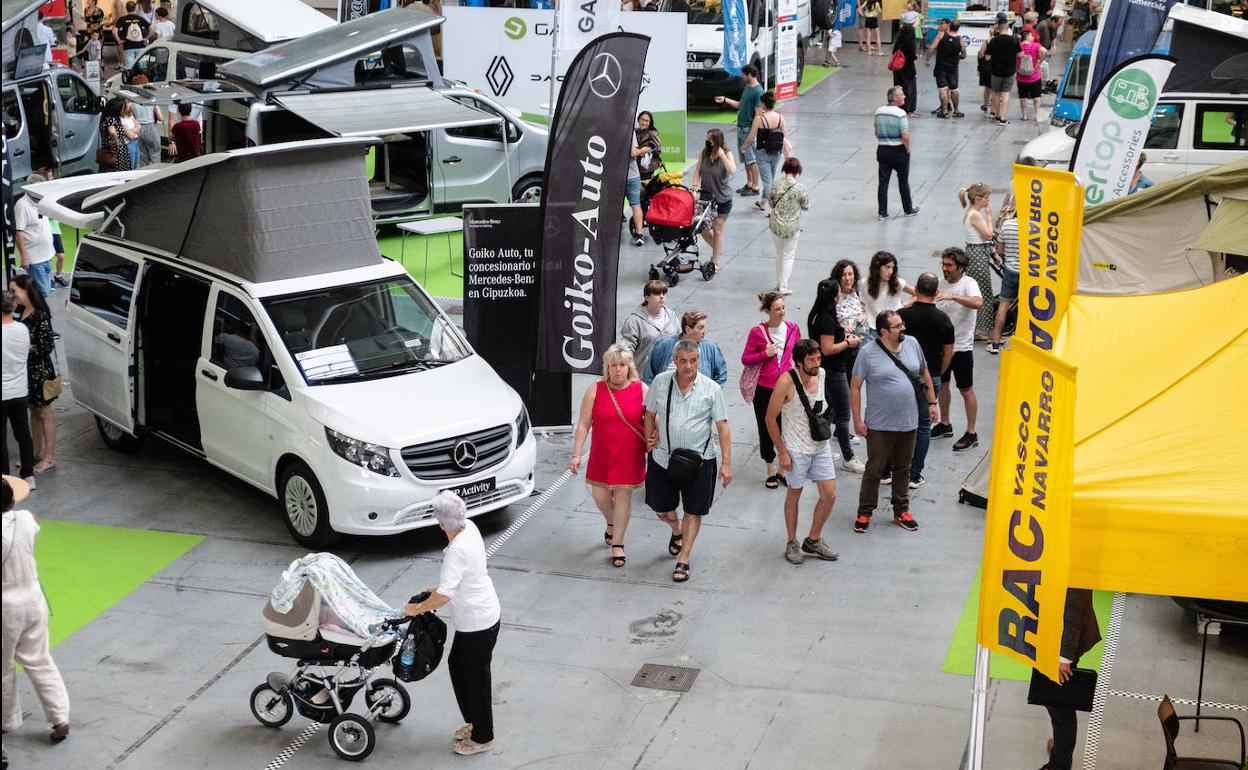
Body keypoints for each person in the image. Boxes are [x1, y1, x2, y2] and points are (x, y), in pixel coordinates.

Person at [403, 492, 501, 756]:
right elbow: (459, 580)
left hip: (477, 624)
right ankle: (475, 722)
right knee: (458, 666)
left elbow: (445, 595)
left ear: (440, 523)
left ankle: (483, 737)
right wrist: (436, 589)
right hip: (483, 615)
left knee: (476, 679)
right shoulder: (470, 527)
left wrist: (418, 608)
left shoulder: (456, 550)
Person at [643, 340, 733, 584]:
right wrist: (649, 438)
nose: (688, 366)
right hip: (663, 458)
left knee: (694, 511)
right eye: (683, 361)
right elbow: (649, 412)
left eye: (693, 361)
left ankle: (684, 558)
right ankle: (676, 529)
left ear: (698, 361)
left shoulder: (711, 389)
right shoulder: (661, 383)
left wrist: (726, 463)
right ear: (675, 361)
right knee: (661, 508)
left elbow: (722, 427)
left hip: (700, 462)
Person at [850, 311, 937, 533]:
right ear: (884, 332)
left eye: (902, 324)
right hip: (879, 424)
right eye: (897, 326)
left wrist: (932, 402)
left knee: (903, 468)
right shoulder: (868, 353)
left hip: (909, 421)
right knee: (874, 469)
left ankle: (901, 510)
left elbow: (924, 372)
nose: (903, 329)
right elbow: (856, 387)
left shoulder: (912, 344)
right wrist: (858, 420)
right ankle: (865, 511)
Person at [2, 476, 71, 744]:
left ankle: (8, 720)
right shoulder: (26, 520)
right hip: (34, 599)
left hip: (6, 607)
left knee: (4, 667)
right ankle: (60, 716)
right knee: (40, 660)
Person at [570, 345, 647, 568]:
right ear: (607, 368)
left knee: (623, 497)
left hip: (629, 454)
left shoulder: (642, 389)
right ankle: (612, 522)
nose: (617, 370)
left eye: (622, 365)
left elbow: (653, 420)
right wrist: (576, 454)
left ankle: (618, 544)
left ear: (629, 366)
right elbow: (584, 424)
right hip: (602, 454)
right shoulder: (595, 390)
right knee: (601, 497)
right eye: (613, 365)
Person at [765, 338, 841, 565]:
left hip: (820, 446)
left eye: (818, 358)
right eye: (811, 359)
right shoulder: (786, 382)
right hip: (796, 449)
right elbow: (770, 418)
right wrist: (782, 451)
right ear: (798, 361)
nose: (816, 363)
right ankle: (792, 541)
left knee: (830, 494)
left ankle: (813, 539)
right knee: (794, 494)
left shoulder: (822, 374)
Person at [895, 273, 954, 488]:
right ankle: (914, 473)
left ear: (917, 289)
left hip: (901, 377)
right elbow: (949, 352)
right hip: (931, 379)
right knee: (923, 426)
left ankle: (891, 468)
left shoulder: (902, 316)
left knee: (896, 423)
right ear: (936, 293)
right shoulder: (944, 320)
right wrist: (937, 372)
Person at [741, 292, 800, 489]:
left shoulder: (793, 329)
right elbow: (746, 359)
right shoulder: (757, 332)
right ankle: (770, 468)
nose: (782, 312)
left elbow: (798, 355)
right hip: (764, 387)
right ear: (767, 311)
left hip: (786, 385)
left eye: (783, 307)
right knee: (766, 426)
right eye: (777, 309)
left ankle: (783, 469)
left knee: (788, 426)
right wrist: (764, 354)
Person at [1038, 588, 1102, 770]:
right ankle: (1060, 751)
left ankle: (1060, 764)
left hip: (1062, 646)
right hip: (1055, 637)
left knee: (1060, 708)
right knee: (1055, 703)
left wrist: (1064, 658)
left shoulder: (1070, 565)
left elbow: (1072, 610)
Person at [807, 278, 866, 474]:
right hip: (835, 372)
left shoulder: (818, 314)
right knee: (842, 414)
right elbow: (828, 348)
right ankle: (848, 457)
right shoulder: (825, 319)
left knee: (827, 410)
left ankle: (820, 447)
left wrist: (842, 330)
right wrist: (849, 342)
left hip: (828, 371)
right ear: (835, 296)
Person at [932, 247, 983, 452]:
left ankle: (971, 433)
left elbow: (977, 303)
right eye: (943, 264)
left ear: (960, 267)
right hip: (941, 348)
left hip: (961, 348)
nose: (945, 269)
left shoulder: (968, 284)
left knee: (966, 390)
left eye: (949, 265)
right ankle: (945, 424)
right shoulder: (940, 284)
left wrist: (952, 297)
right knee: (942, 386)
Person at [9, 276, 57, 475]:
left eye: (14, 291)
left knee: (44, 412)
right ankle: (36, 452)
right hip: (26, 369)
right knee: (33, 411)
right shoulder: (20, 311)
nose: (12, 295)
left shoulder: (41, 314)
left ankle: (49, 457)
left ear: (26, 290)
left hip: (40, 371)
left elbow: (47, 346)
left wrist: (26, 346)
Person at [690, 128, 736, 274]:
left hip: (722, 199)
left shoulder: (727, 153)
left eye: (710, 139)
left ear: (717, 140)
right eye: (707, 139)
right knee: (702, 228)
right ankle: (718, 248)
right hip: (706, 198)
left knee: (717, 229)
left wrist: (722, 156)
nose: (708, 141)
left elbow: (732, 171)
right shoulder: (704, 152)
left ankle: (715, 261)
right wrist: (695, 186)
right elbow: (697, 171)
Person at [713, 65, 763, 196]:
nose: (742, 77)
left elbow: (758, 115)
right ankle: (749, 183)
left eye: (743, 75)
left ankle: (756, 187)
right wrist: (725, 99)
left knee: (752, 160)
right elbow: (740, 105)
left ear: (749, 74)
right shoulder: (747, 88)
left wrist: (752, 135)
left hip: (748, 129)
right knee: (746, 160)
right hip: (741, 129)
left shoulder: (758, 91)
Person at [643, 311, 729, 386]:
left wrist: (711, 394)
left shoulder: (711, 348)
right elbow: (648, 375)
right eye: (700, 328)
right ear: (687, 329)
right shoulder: (663, 345)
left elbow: (721, 375)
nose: (704, 331)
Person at [2, 298, 35, 487]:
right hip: (20, 390)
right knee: (23, 434)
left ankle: (5, 480)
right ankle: (28, 475)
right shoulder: (23, 329)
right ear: (13, 307)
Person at [958, 182, 997, 337]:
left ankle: (974, 329)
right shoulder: (975, 214)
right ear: (978, 198)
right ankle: (986, 331)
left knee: (976, 291)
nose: (988, 201)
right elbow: (988, 234)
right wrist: (989, 215)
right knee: (984, 294)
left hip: (974, 253)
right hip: (978, 256)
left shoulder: (969, 212)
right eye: (986, 198)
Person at [874, 86, 919, 220]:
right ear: (894, 98)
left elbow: (876, 132)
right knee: (903, 181)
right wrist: (907, 148)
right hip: (898, 151)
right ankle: (908, 209)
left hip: (883, 150)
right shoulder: (901, 114)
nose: (904, 96)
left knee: (883, 182)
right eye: (901, 94)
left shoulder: (879, 111)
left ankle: (882, 212)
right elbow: (905, 134)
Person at [619, 279, 680, 376]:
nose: (662, 297)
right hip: (644, 375)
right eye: (657, 294)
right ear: (647, 297)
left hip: (669, 373)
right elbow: (626, 350)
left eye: (664, 293)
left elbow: (680, 340)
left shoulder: (671, 316)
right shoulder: (635, 320)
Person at [768, 157, 809, 295]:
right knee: (788, 255)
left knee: (779, 253)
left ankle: (779, 283)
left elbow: (771, 202)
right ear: (797, 171)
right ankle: (784, 286)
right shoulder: (800, 188)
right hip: (792, 227)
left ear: (784, 168)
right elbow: (805, 206)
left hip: (776, 225)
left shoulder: (776, 184)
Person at [742, 91, 786, 213]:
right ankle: (762, 202)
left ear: (763, 104)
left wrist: (743, 147)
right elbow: (784, 136)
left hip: (763, 153)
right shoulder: (780, 117)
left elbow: (751, 137)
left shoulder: (759, 119)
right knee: (770, 178)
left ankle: (775, 206)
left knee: (768, 182)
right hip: (777, 152)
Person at [13, 175, 56, 299]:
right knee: (43, 292)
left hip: (47, 255)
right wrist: (24, 257)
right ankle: (34, 314)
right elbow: (18, 233)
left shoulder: (42, 202)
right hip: (35, 259)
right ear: (32, 189)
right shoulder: (22, 206)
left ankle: (31, 312)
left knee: (41, 290)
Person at [989, 201, 1020, 354]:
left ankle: (995, 343)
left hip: (1011, 270)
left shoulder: (1007, 225)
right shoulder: (1038, 227)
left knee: (1003, 305)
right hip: (1029, 273)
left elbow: (1000, 251)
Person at [860, 250, 915, 326]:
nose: (891, 271)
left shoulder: (897, 282)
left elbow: (918, 294)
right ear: (877, 267)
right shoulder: (864, 283)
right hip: (872, 325)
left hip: (893, 325)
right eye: (887, 267)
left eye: (892, 268)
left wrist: (903, 305)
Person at [984, 19, 1021, 125]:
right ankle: (1003, 118)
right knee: (1006, 94)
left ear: (998, 28)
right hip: (1009, 71)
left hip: (996, 71)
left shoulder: (993, 40)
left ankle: (997, 115)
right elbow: (1020, 55)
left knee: (995, 93)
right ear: (1008, 28)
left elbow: (987, 58)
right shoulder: (1014, 40)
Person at [927, 19, 967, 118]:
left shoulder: (941, 35)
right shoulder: (960, 40)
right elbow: (964, 54)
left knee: (942, 89)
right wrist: (958, 57)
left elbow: (931, 48)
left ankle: (945, 111)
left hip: (941, 67)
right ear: (958, 28)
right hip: (953, 69)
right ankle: (956, 110)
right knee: (954, 89)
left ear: (949, 26)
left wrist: (927, 59)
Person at [129, 75, 163, 166]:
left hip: (138, 130)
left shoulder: (132, 101)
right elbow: (160, 118)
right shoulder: (151, 99)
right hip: (151, 128)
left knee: (142, 158)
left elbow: (131, 118)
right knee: (155, 156)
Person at [1016, 27, 1047, 121]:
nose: (1033, 37)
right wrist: (1040, 62)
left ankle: (1024, 115)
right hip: (1035, 76)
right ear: (1028, 36)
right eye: (1032, 35)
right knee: (1036, 97)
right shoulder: (1036, 46)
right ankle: (1037, 115)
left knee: (1023, 97)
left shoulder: (1018, 46)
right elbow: (1045, 51)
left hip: (1021, 77)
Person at [892, 12, 920, 116]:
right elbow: (912, 55)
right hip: (908, 67)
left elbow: (894, 50)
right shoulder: (911, 33)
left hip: (898, 67)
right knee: (909, 88)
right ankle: (909, 110)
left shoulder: (901, 31)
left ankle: (899, 107)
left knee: (899, 86)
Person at [98, 97, 132, 173]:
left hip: (109, 151)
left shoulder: (105, 117)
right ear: (116, 109)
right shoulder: (111, 119)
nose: (123, 110)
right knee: (118, 174)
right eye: (122, 108)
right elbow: (112, 131)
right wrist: (116, 141)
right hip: (116, 153)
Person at [113, 2, 151, 68]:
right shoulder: (140, 18)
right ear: (135, 8)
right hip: (140, 46)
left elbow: (114, 31)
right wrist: (147, 38)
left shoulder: (122, 19)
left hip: (128, 47)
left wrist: (118, 40)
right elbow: (152, 28)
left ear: (126, 8)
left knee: (129, 68)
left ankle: (132, 78)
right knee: (142, 68)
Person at [625, 129, 646, 247]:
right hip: (631, 176)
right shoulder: (629, 130)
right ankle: (639, 235)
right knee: (636, 205)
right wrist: (645, 149)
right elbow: (633, 153)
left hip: (620, 176)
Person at [635, 111, 662, 184]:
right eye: (642, 120)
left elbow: (658, 149)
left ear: (650, 122)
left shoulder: (652, 133)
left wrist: (647, 150)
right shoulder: (636, 131)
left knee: (645, 190)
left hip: (647, 168)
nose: (644, 123)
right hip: (636, 167)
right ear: (638, 119)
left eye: (647, 121)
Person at [120, 101, 141, 171]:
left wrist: (131, 130)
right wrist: (134, 130)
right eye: (129, 103)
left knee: (136, 164)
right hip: (129, 144)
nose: (131, 105)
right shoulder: (121, 119)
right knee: (130, 166)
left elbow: (139, 126)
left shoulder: (130, 115)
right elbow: (130, 135)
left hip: (136, 142)